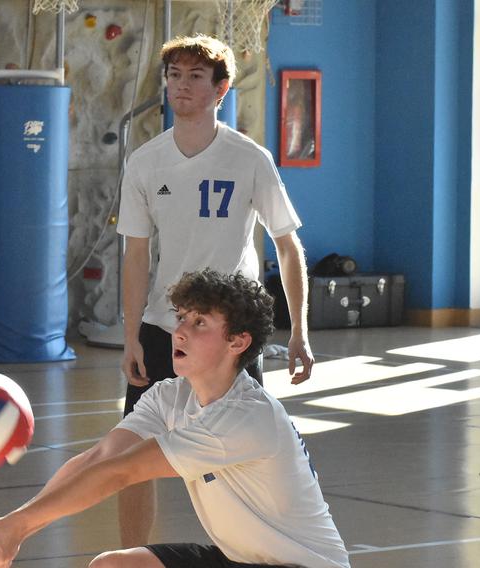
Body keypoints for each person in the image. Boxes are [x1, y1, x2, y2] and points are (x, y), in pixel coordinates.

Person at [0, 269, 350, 568]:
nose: (179, 331)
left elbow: (122, 473)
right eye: (181, 318)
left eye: (200, 323)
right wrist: (16, 524)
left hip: (301, 565)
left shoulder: (244, 415)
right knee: (113, 566)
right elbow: (99, 460)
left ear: (238, 341)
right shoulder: (170, 395)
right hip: (240, 559)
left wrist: (19, 527)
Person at [116, 33, 315, 547]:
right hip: (166, 329)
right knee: (130, 456)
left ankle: (259, 552)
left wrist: (299, 332)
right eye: (174, 76)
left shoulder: (249, 159)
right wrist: (131, 333)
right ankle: (133, 556)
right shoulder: (145, 162)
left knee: (243, 457)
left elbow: (288, 247)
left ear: (220, 88)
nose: (181, 86)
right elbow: (136, 255)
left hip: (231, 338)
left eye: (195, 77)